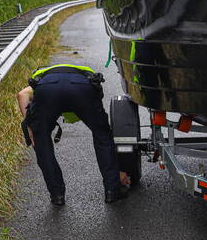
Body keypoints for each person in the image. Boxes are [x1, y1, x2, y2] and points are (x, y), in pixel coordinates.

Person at [17, 63, 128, 205]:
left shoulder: (43, 77)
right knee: (102, 136)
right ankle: (112, 190)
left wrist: (31, 126)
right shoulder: (83, 72)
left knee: (41, 141)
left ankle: (57, 195)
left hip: (48, 90)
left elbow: (21, 95)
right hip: (82, 87)